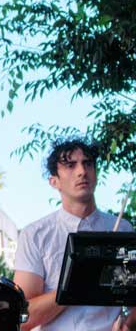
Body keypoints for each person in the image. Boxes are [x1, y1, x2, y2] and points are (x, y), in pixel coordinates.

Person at [14, 138, 136, 331]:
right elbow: (21, 318)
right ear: (54, 182)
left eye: (88, 164)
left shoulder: (122, 229)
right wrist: (75, 284)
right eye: (70, 165)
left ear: (95, 174)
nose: (82, 171)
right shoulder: (35, 234)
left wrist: (129, 324)